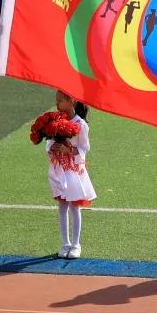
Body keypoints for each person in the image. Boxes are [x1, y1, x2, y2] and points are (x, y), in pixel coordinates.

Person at [48, 93, 95, 258]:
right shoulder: (55, 121)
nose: (57, 103)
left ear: (71, 101)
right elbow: (49, 143)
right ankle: (65, 243)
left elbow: (84, 148)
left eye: (60, 101)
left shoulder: (81, 124)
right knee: (62, 206)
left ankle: (76, 245)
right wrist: (52, 147)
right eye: (56, 101)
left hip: (74, 170)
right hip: (59, 169)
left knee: (75, 207)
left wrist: (69, 150)